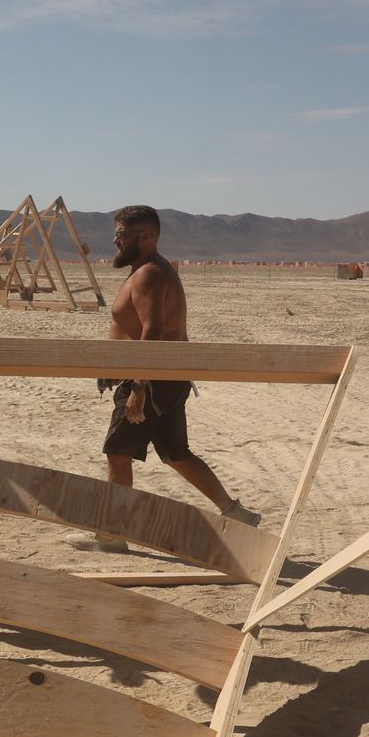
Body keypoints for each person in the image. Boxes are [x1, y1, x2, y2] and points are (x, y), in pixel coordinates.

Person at [84, 205, 260, 550]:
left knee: (118, 453)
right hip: (163, 377)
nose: (115, 241)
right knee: (175, 453)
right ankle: (235, 513)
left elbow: (154, 331)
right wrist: (111, 365)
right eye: (117, 234)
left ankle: (111, 534)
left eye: (121, 235)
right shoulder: (144, 271)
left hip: (152, 381)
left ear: (146, 237)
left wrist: (138, 385)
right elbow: (133, 326)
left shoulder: (150, 273)